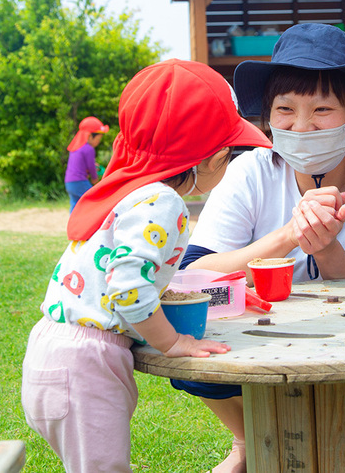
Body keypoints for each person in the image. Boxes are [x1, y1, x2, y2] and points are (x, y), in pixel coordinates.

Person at [175, 22, 345, 473]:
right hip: (262, 338)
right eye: (285, 109)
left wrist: (326, 249)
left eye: (322, 110)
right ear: (267, 116)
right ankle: (247, 440)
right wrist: (288, 236)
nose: (301, 127)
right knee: (188, 334)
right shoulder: (250, 173)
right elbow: (193, 275)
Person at [21, 59, 273, 473]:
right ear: (214, 158)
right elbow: (127, 287)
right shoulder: (162, 201)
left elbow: (118, 272)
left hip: (58, 352)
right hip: (87, 365)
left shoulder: (128, 189)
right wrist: (172, 342)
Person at [64, 116, 109, 212]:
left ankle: (73, 224)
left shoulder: (76, 148)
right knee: (95, 201)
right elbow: (91, 167)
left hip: (69, 182)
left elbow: (79, 166)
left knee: (75, 205)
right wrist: (94, 178)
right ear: (89, 136)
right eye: (98, 138)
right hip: (80, 182)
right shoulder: (89, 149)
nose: (98, 142)